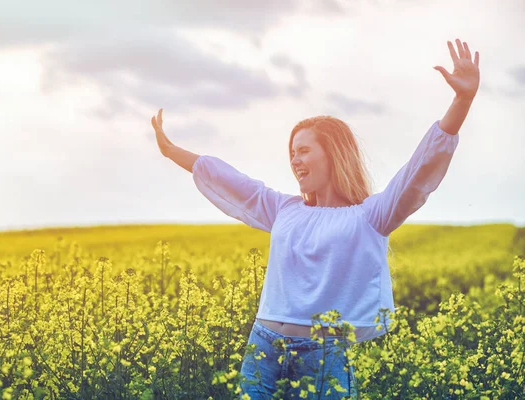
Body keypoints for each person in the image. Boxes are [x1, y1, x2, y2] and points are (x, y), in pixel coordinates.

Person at [151, 38, 480, 399]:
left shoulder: (371, 216)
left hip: (323, 359)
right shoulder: (284, 209)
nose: (294, 160)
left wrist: (461, 102)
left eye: (304, 150)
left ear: (334, 155)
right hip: (262, 348)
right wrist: (170, 151)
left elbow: (418, 171)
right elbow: (228, 179)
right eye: (292, 152)